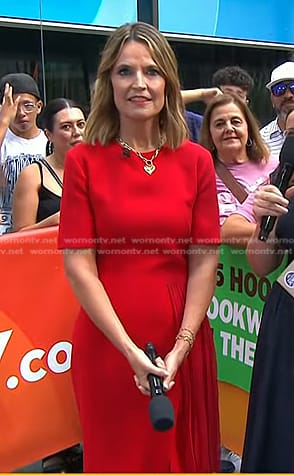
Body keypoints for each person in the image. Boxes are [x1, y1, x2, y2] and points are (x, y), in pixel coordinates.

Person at [58, 21, 221, 473]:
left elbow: (205, 258)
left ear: (167, 81)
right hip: (109, 343)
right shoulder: (83, 161)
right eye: (124, 71)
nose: (138, 84)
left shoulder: (197, 161)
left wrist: (182, 345)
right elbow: (79, 265)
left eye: (151, 71)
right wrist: (129, 350)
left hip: (182, 337)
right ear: (108, 81)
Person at [241, 114, 294, 472]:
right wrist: (263, 223)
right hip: (286, 320)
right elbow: (261, 264)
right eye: (290, 132)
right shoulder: (282, 182)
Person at [200, 93, 278, 247]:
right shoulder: (199, 174)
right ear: (209, 133)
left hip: (270, 269)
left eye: (235, 121)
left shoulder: (275, 166)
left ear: (248, 127)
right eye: (219, 124)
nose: (229, 128)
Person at [12, 98, 85, 233]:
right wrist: (53, 222)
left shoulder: (100, 169)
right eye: (66, 127)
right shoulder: (33, 175)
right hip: (48, 252)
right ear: (48, 135)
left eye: (81, 124)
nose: (77, 133)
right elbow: (18, 236)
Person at [0, 73, 47, 235]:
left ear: (39, 107)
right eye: (14, 106)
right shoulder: (3, 140)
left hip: (42, 228)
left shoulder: (50, 140)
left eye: (28, 105)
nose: (21, 113)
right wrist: (4, 121)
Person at [182, 65, 254, 143]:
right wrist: (201, 94)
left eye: (239, 96)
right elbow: (168, 102)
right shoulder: (194, 124)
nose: (232, 101)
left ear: (246, 104)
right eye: (227, 94)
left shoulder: (256, 134)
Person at [260, 60, 294, 158]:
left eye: (293, 87)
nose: (288, 95)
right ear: (272, 99)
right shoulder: (260, 141)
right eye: (279, 89)